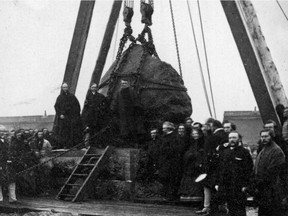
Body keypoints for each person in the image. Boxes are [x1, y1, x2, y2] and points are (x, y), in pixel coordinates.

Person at [247, 129, 286, 216]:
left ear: (271, 137)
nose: (263, 139)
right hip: (263, 190)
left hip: (272, 190)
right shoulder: (263, 150)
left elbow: (272, 171)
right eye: (262, 136)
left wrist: (257, 182)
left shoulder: (276, 151)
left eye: (266, 136)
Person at [215, 131, 253, 216]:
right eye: (230, 138)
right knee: (229, 208)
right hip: (226, 186)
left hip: (238, 186)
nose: (232, 140)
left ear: (239, 139)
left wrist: (246, 185)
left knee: (239, 209)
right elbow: (220, 169)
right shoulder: (224, 152)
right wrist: (218, 183)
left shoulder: (244, 152)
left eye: (234, 138)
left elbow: (249, 170)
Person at [196, 119, 228, 215]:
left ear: (213, 126)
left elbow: (208, 153)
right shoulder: (226, 135)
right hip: (222, 165)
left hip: (212, 166)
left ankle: (208, 208)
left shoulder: (212, 137)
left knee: (208, 187)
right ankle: (221, 207)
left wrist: (205, 165)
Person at [111, 79, 145, 144]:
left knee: (133, 126)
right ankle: (126, 142)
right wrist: (113, 109)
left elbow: (136, 99)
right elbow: (116, 101)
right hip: (123, 112)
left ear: (128, 84)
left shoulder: (132, 91)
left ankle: (135, 141)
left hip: (131, 111)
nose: (124, 84)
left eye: (125, 83)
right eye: (123, 83)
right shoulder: (119, 92)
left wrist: (137, 108)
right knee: (124, 127)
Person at [158, 121, 184, 201]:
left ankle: (171, 196)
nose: (162, 130)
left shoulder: (175, 137)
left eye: (164, 128)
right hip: (165, 162)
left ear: (168, 128)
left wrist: (164, 151)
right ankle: (166, 195)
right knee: (165, 179)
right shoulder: (164, 137)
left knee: (171, 179)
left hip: (171, 162)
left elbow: (174, 149)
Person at [54, 82, 82, 149]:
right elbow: (56, 106)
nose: (65, 89)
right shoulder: (60, 97)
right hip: (63, 118)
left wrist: (75, 115)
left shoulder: (72, 96)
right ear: (62, 88)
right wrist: (60, 114)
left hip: (71, 117)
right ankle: (65, 145)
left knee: (72, 131)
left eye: (66, 87)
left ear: (68, 87)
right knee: (64, 132)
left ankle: (72, 145)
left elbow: (77, 106)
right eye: (64, 87)